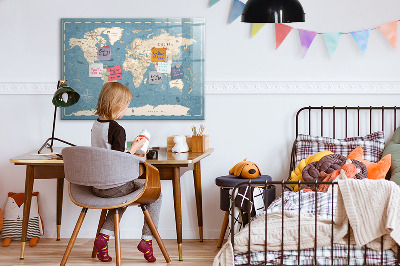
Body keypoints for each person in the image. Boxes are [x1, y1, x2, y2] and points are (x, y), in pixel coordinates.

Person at [91, 82, 162, 263]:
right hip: (114, 186)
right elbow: (119, 161)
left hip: (97, 186)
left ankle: (104, 238)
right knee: (156, 194)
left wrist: (132, 150)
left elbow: (108, 155)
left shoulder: (96, 125)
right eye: (126, 105)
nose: (126, 109)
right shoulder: (117, 129)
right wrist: (135, 149)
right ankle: (147, 240)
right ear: (117, 104)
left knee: (121, 197)